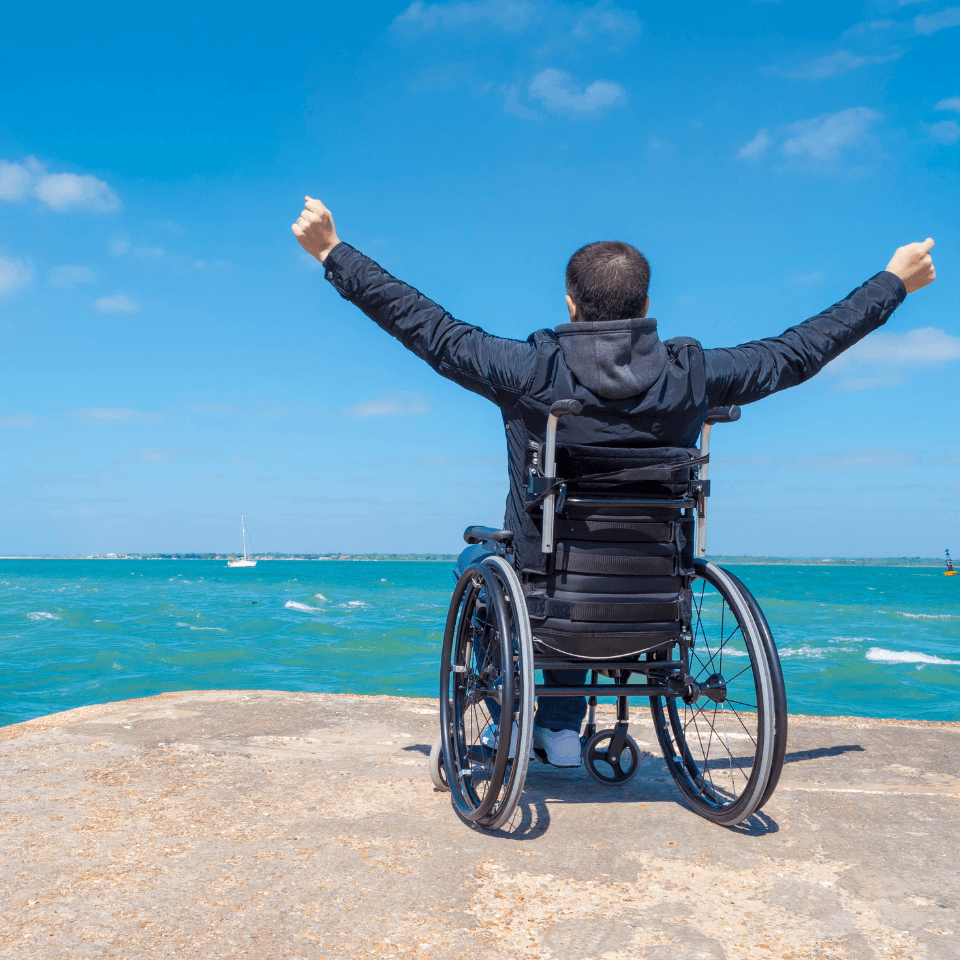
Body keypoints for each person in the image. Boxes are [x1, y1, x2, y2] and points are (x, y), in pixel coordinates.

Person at [293, 195, 936, 766]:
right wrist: (892, 284)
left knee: (485, 561)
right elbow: (799, 351)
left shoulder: (528, 370)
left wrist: (332, 252)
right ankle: (564, 729)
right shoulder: (694, 376)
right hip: (654, 596)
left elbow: (428, 327)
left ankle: (519, 725)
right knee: (573, 568)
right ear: (647, 305)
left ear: (570, 302)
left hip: (547, 592)